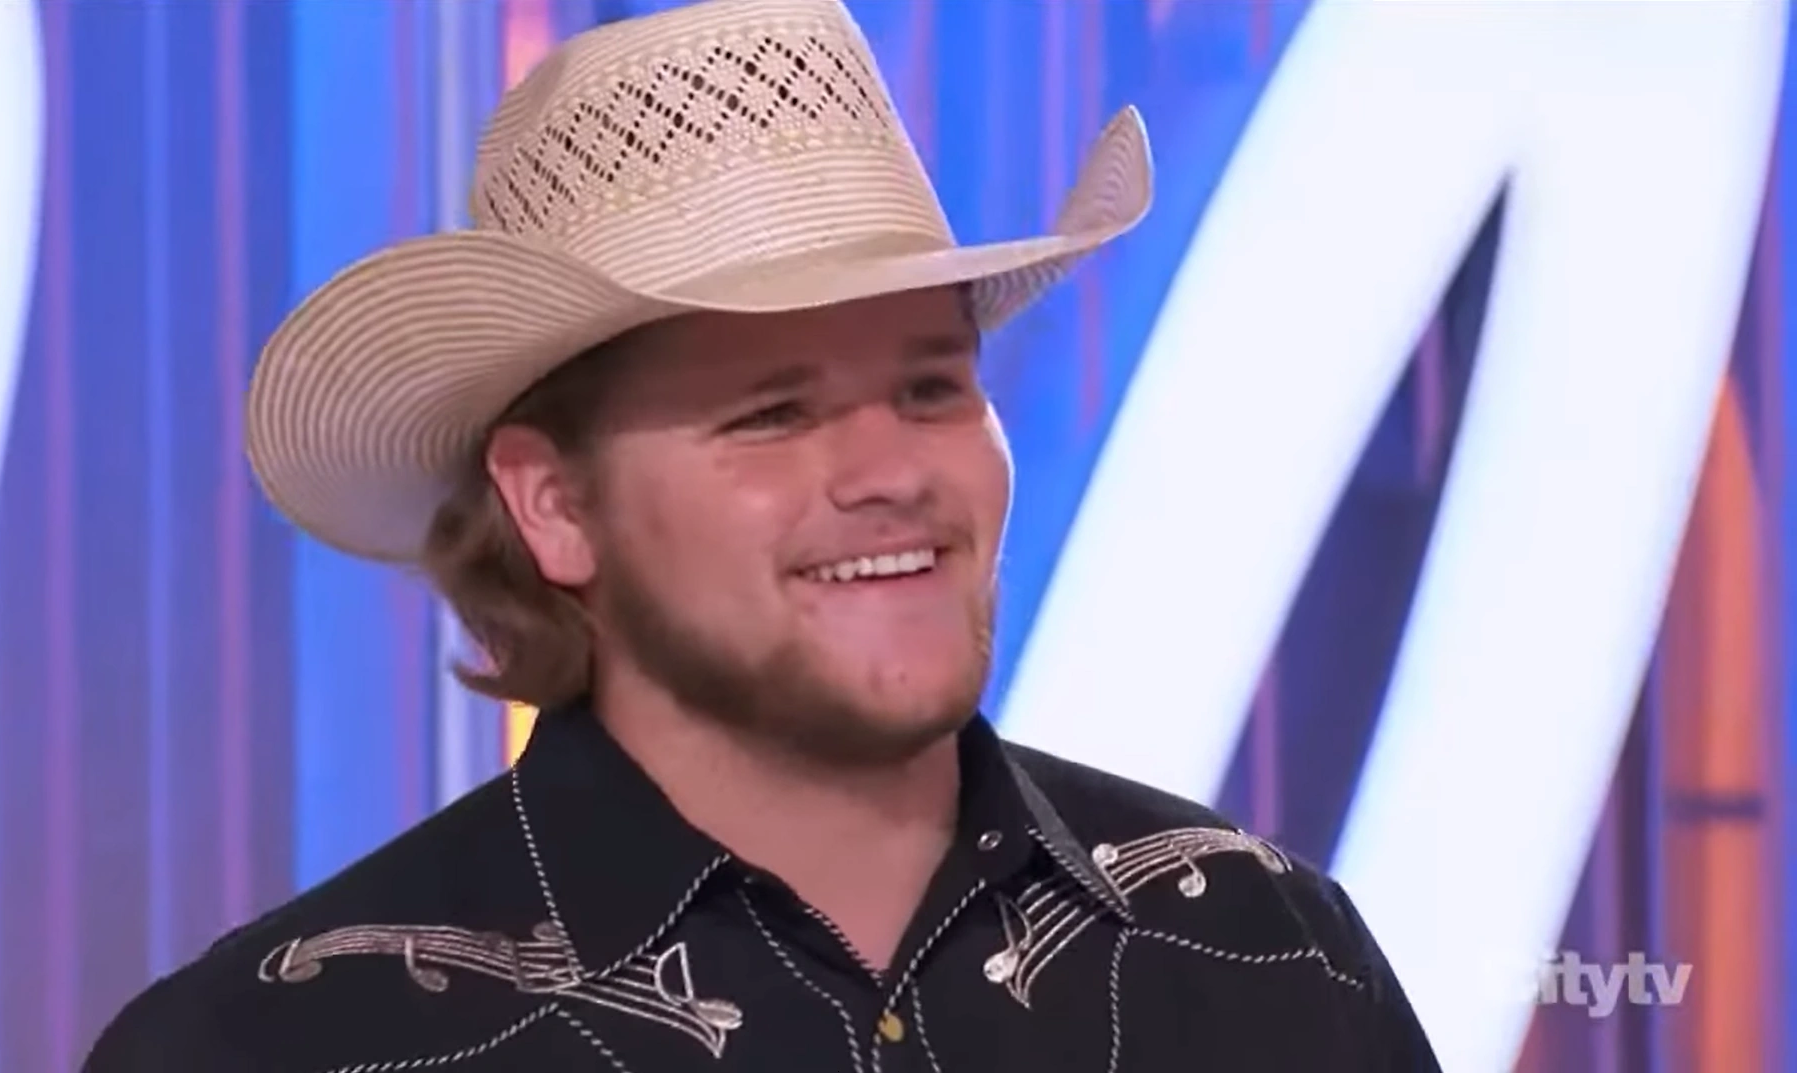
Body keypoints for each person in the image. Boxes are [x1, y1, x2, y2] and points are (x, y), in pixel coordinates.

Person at [86, 0, 1441, 1069]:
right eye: (772, 414)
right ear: (554, 505)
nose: (889, 473)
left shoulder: (1269, 951)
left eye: (931, 389)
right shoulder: (288, 1044)